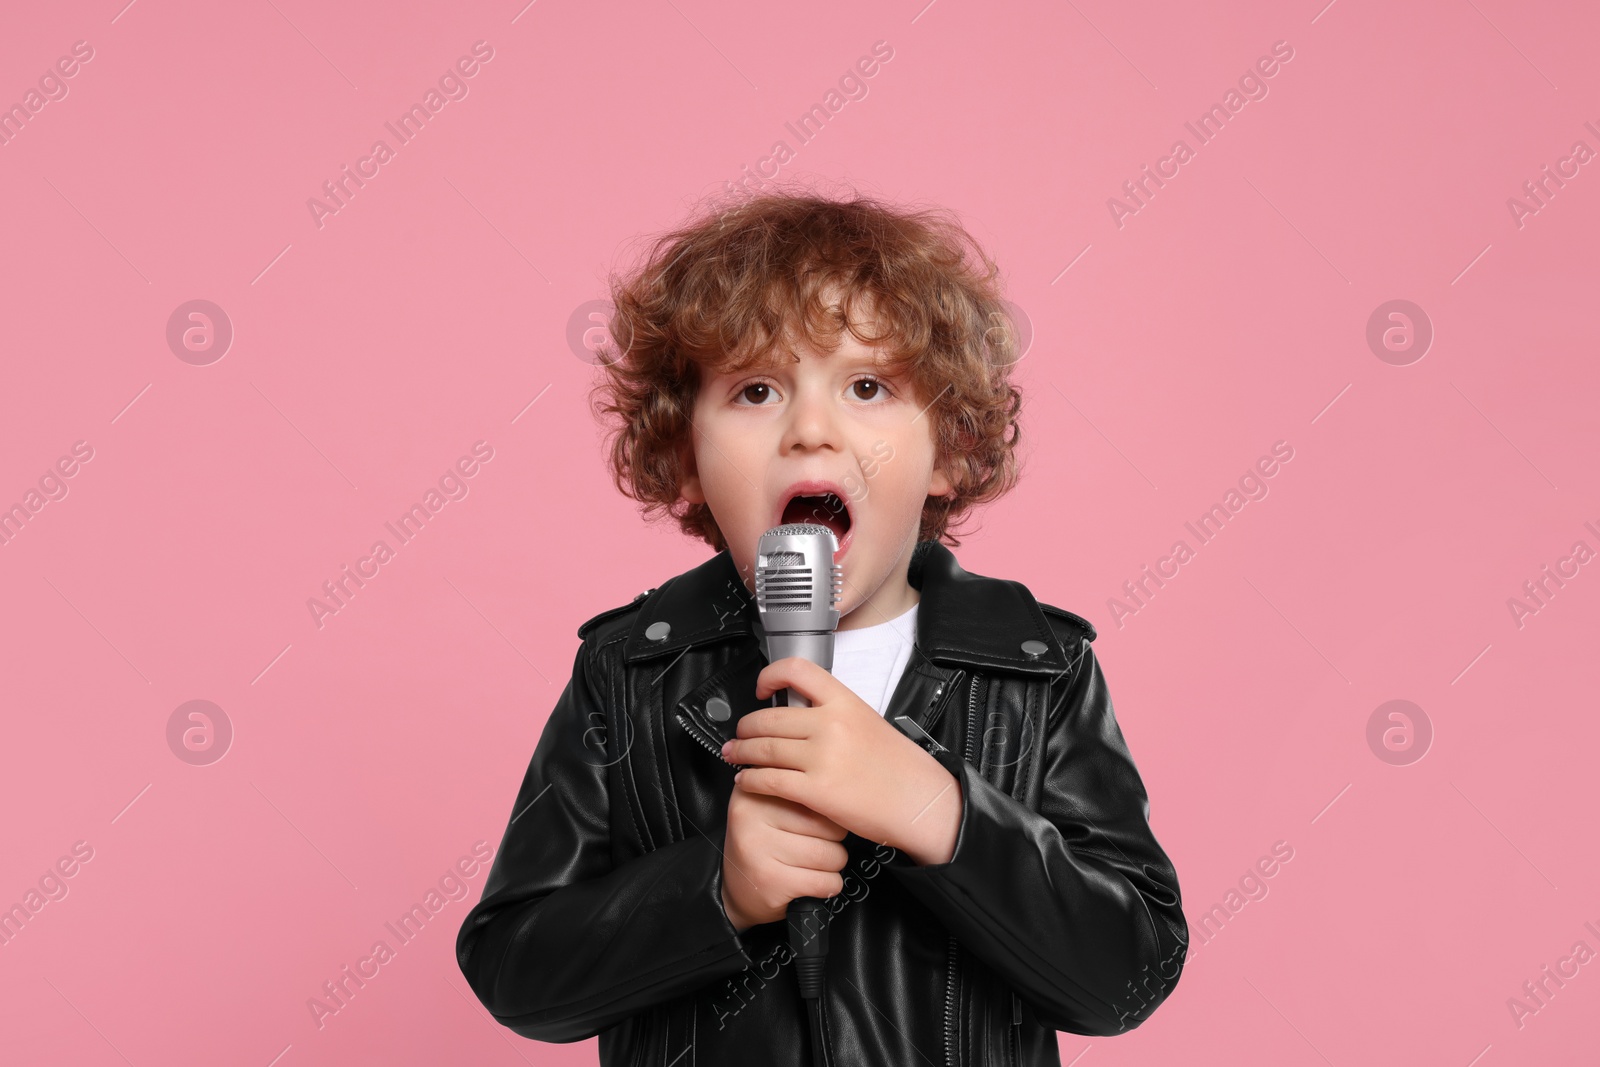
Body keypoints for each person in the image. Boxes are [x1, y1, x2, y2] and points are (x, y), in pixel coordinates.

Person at [456, 187, 1188, 1065]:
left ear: (949, 450)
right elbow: (515, 967)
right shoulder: (632, 670)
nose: (810, 428)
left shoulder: (1036, 668)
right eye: (757, 389)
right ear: (685, 459)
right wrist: (713, 892)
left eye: (868, 386)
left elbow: (1127, 978)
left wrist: (936, 809)